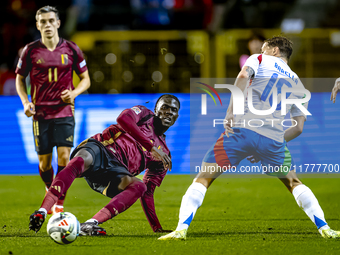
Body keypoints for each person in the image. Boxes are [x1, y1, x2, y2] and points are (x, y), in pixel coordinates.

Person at [159, 36, 340, 240]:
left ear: (274, 50)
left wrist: (230, 111)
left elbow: (244, 75)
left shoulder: (259, 60)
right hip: (273, 139)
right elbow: (298, 128)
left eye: (265, 48)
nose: (261, 51)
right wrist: (277, 142)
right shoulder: (298, 83)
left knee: (203, 178)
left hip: (241, 131)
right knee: (293, 182)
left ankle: (181, 229)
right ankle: (325, 228)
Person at [28, 94, 180, 236]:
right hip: (101, 148)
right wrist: (151, 147)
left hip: (115, 172)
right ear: (156, 109)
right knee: (80, 161)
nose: (168, 112)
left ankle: (89, 224)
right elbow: (123, 119)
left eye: (173, 110)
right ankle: (42, 211)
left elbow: (148, 193)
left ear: (177, 117)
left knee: (139, 186)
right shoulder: (144, 113)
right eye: (165, 107)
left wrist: (157, 228)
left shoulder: (164, 154)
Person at [15, 6, 91, 215]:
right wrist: (25, 102)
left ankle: (58, 204)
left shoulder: (72, 49)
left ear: (58, 23)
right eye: (43, 22)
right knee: (44, 162)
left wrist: (74, 94)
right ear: (38, 25)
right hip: (40, 113)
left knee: (65, 158)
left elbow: (86, 80)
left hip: (65, 111)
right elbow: (20, 79)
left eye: (51, 21)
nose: (47, 25)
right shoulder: (30, 50)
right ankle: (50, 188)